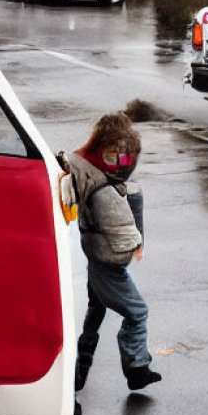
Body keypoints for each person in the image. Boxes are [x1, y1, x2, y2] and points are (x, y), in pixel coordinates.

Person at [63, 112, 161, 397]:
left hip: (98, 257)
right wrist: (134, 242)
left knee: (93, 315)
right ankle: (136, 368)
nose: (121, 163)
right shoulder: (102, 186)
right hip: (107, 262)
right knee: (137, 312)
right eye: (115, 157)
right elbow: (117, 227)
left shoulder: (89, 171)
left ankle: (77, 375)